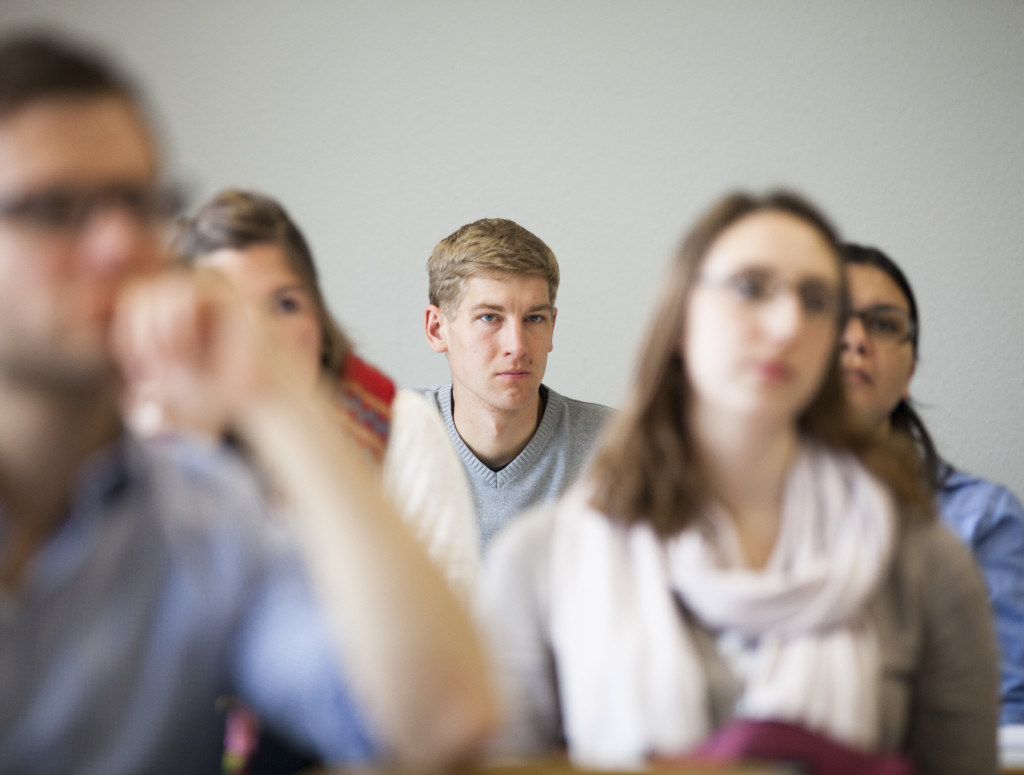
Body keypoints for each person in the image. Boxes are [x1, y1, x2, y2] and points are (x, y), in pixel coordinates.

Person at [0, 33, 494, 775]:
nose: (118, 244)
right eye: (54, 208)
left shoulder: (205, 520)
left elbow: (445, 719)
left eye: (138, 204)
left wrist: (276, 397)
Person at [477, 192, 998, 774]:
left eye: (817, 301)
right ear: (680, 321)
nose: (786, 324)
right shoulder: (542, 560)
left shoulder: (921, 561)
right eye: (750, 288)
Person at [141, 188, 479, 599]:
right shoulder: (156, 441)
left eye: (284, 305)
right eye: (229, 311)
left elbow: (450, 606)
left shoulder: (400, 425)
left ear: (317, 315)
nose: (260, 335)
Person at [840, 242, 1024, 726]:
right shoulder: (711, 511)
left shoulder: (983, 518)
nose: (856, 339)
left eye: (884, 324)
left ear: (909, 374)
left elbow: (1004, 720)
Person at [423, 218, 612, 551]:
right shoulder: (381, 440)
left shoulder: (620, 449)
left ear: (552, 327)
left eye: (534, 318)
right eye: (489, 317)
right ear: (438, 329)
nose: (518, 345)